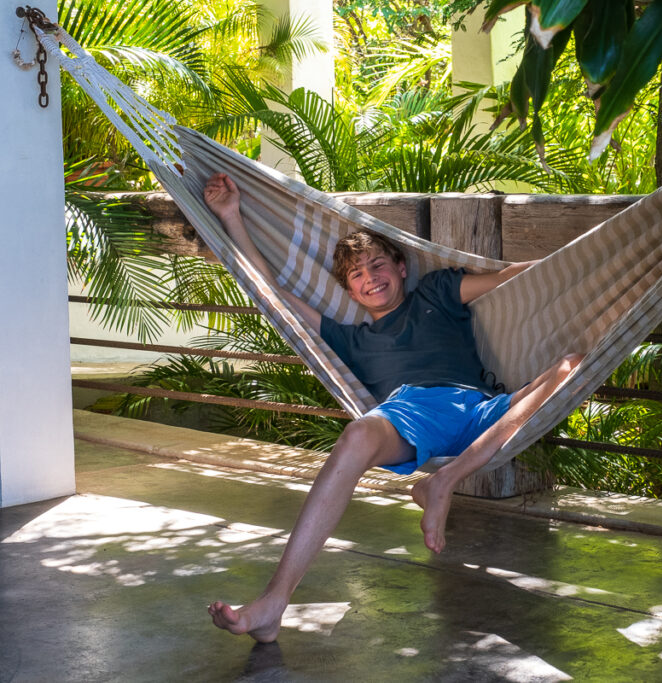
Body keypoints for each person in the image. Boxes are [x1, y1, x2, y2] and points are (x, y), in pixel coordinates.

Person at [202, 173, 581, 642]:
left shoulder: (437, 293)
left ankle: (444, 479)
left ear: (401, 267)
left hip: (486, 413)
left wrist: (584, 257)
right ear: (351, 292)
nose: (370, 278)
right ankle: (273, 603)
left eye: (377, 264)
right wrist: (230, 215)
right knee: (358, 435)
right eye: (358, 275)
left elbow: (509, 277)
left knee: (573, 364)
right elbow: (271, 291)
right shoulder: (353, 340)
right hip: (412, 415)